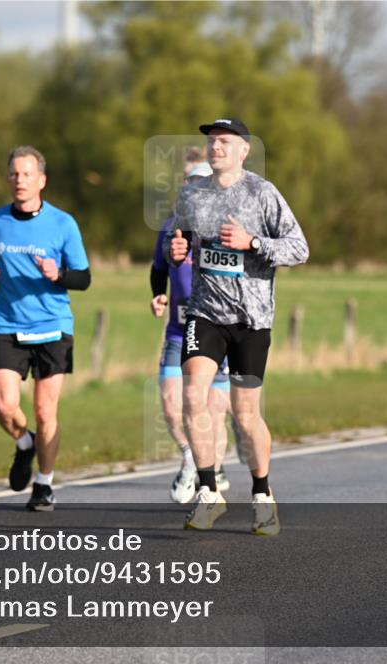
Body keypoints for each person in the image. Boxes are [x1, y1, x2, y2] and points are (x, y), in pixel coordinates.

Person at [167, 118, 309, 535]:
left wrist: (253, 243)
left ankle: (263, 495)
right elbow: (178, 239)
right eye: (211, 141)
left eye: (225, 142)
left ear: (244, 150)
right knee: (193, 395)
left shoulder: (262, 193)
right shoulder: (192, 193)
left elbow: (299, 248)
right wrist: (176, 251)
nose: (216, 148)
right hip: (205, 312)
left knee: (245, 415)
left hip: (251, 320)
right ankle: (209, 493)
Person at [0, 146, 90, 512]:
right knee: (5, 405)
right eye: (14, 174)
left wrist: (60, 275)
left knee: (44, 410)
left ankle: (44, 483)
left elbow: (84, 278)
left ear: (41, 180)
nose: (20, 180)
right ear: (8, 179)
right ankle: (25, 443)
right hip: (8, 322)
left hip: (53, 326)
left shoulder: (63, 224)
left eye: (27, 174)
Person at [150, 153, 236, 503]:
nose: (190, 186)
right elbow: (158, 268)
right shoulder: (171, 227)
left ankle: (211, 474)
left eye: (197, 180)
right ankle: (192, 459)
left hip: (218, 330)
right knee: (173, 404)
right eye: (186, 180)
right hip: (179, 329)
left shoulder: (226, 228)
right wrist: (158, 294)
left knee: (213, 411)